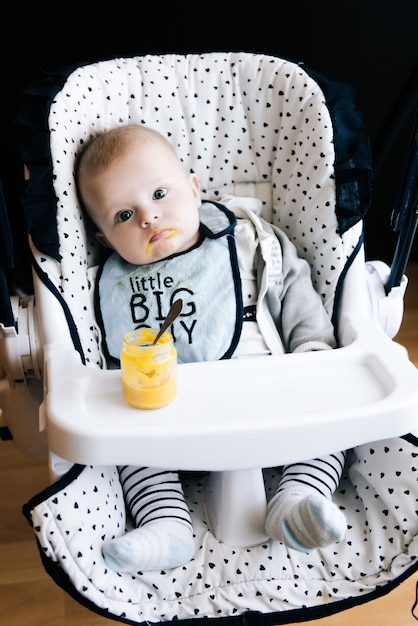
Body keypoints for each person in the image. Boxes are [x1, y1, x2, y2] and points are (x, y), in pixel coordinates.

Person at [75, 123, 347, 574]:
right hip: (171, 425)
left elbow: (297, 296)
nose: (148, 217)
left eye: (160, 194)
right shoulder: (113, 283)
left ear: (194, 189)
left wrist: (315, 355)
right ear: (104, 239)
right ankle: (167, 526)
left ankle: (297, 499)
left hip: (275, 400)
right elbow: (107, 371)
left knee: (330, 428)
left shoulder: (246, 241)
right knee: (128, 448)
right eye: (123, 215)